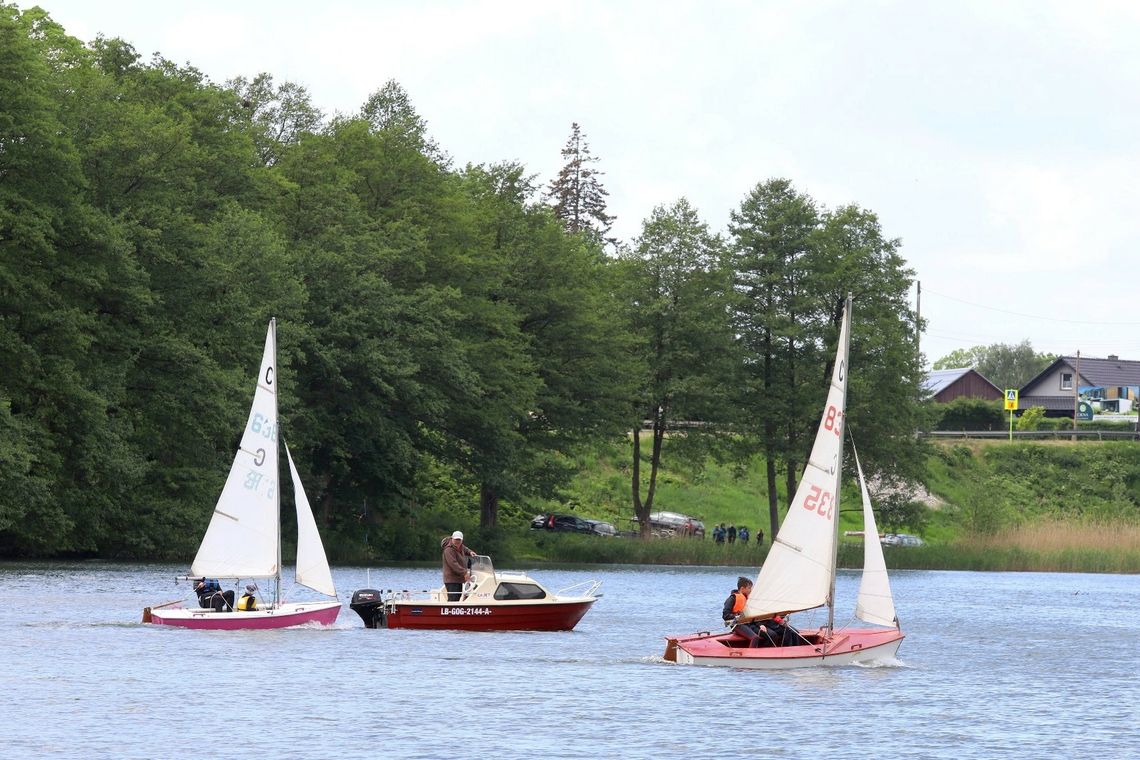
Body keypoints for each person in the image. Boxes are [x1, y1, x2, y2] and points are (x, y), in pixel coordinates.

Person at [721, 576, 762, 647]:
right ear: (742, 589)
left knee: (767, 633)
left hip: (747, 623)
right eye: (749, 588)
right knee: (755, 638)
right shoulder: (732, 599)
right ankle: (750, 656)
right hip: (737, 625)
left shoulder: (747, 599)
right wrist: (737, 616)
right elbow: (725, 615)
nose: (751, 590)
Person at [442, 530, 477, 602]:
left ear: (462, 540)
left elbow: (465, 549)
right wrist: (464, 572)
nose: (457, 541)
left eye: (459, 539)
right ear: (452, 539)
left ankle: (453, 612)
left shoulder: (460, 546)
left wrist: (470, 552)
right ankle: (450, 612)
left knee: (457, 596)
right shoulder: (448, 549)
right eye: (456, 539)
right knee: (453, 598)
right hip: (451, 579)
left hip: (458, 578)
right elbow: (453, 564)